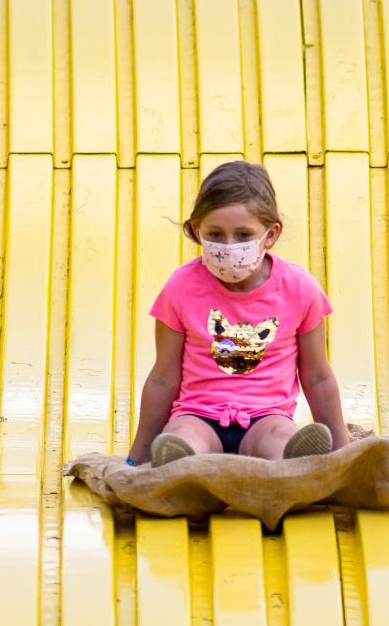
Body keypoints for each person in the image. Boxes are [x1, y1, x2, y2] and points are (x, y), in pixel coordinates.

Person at [126, 161, 350, 466]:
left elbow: (318, 377)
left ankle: (295, 462)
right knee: (182, 436)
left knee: (281, 439)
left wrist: (343, 451)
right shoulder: (180, 287)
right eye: (215, 234)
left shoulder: (299, 289)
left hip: (266, 416)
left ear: (270, 235)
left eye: (244, 235)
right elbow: (163, 378)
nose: (228, 246)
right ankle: (177, 462)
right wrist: (136, 459)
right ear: (196, 230)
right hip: (197, 414)